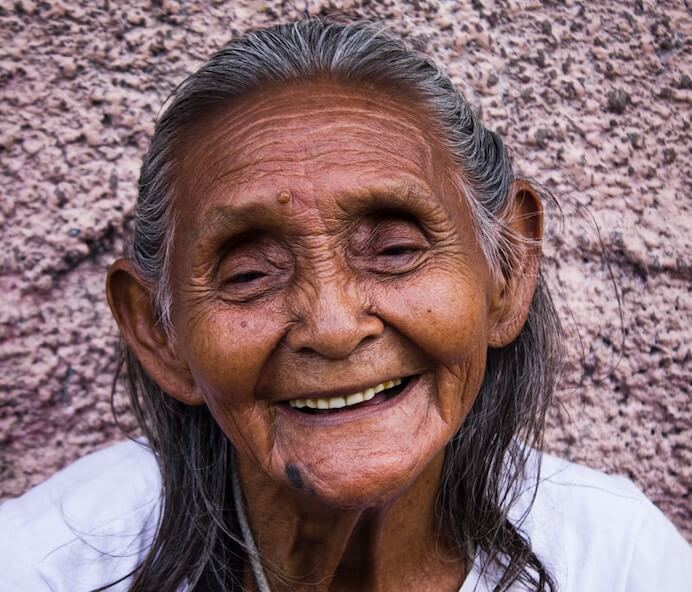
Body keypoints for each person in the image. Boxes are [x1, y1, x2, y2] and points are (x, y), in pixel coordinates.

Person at [0, 18, 689, 592]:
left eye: (395, 250)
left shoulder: (616, 561)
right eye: (248, 275)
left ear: (506, 269)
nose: (332, 327)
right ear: (159, 332)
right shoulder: (43, 566)